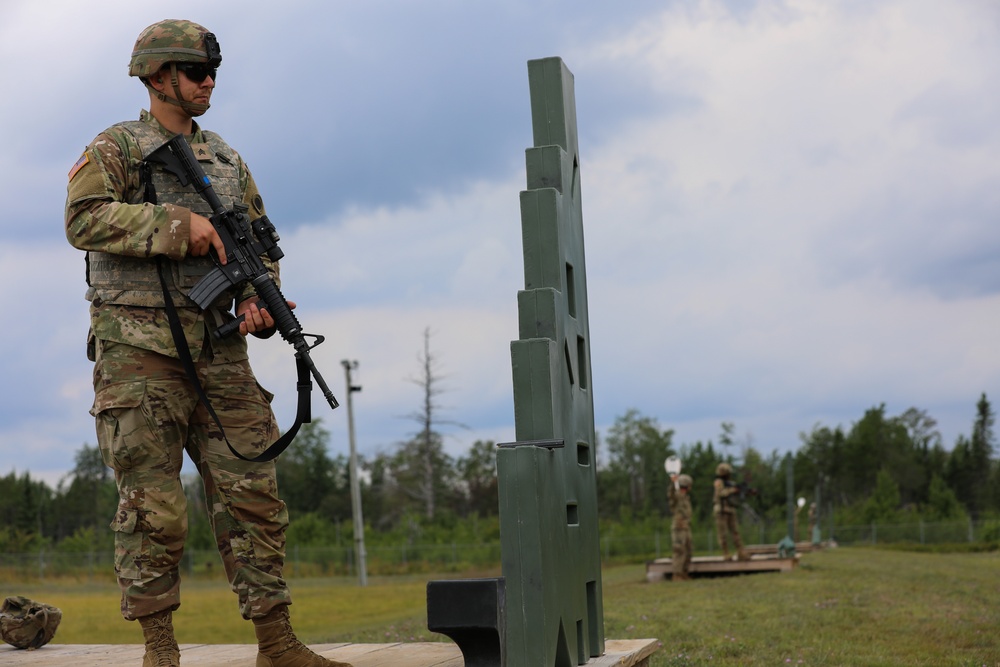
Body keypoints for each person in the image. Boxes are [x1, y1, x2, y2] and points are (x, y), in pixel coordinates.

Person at [64, 19, 350, 667]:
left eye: (213, 71)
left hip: (220, 353)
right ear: (159, 76)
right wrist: (176, 223)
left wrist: (259, 301)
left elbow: (258, 246)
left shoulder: (225, 158)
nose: (209, 82)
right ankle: (160, 649)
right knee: (152, 508)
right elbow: (81, 218)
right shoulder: (118, 147)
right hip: (140, 356)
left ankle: (276, 642)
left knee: (254, 494)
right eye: (196, 71)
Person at [712, 463, 749, 561]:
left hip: (730, 509)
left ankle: (741, 552)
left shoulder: (730, 483)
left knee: (735, 532)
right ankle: (726, 553)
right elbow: (721, 493)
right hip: (721, 510)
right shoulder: (719, 482)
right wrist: (733, 490)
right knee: (722, 534)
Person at [667, 473, 693, 580]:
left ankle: (684, 573)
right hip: (679, 526)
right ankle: (677, 574)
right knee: (679, 550)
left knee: (688, 550)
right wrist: (673, 484)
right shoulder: (677, 495)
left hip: (686, 526)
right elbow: (671, 494)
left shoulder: (685, 497)